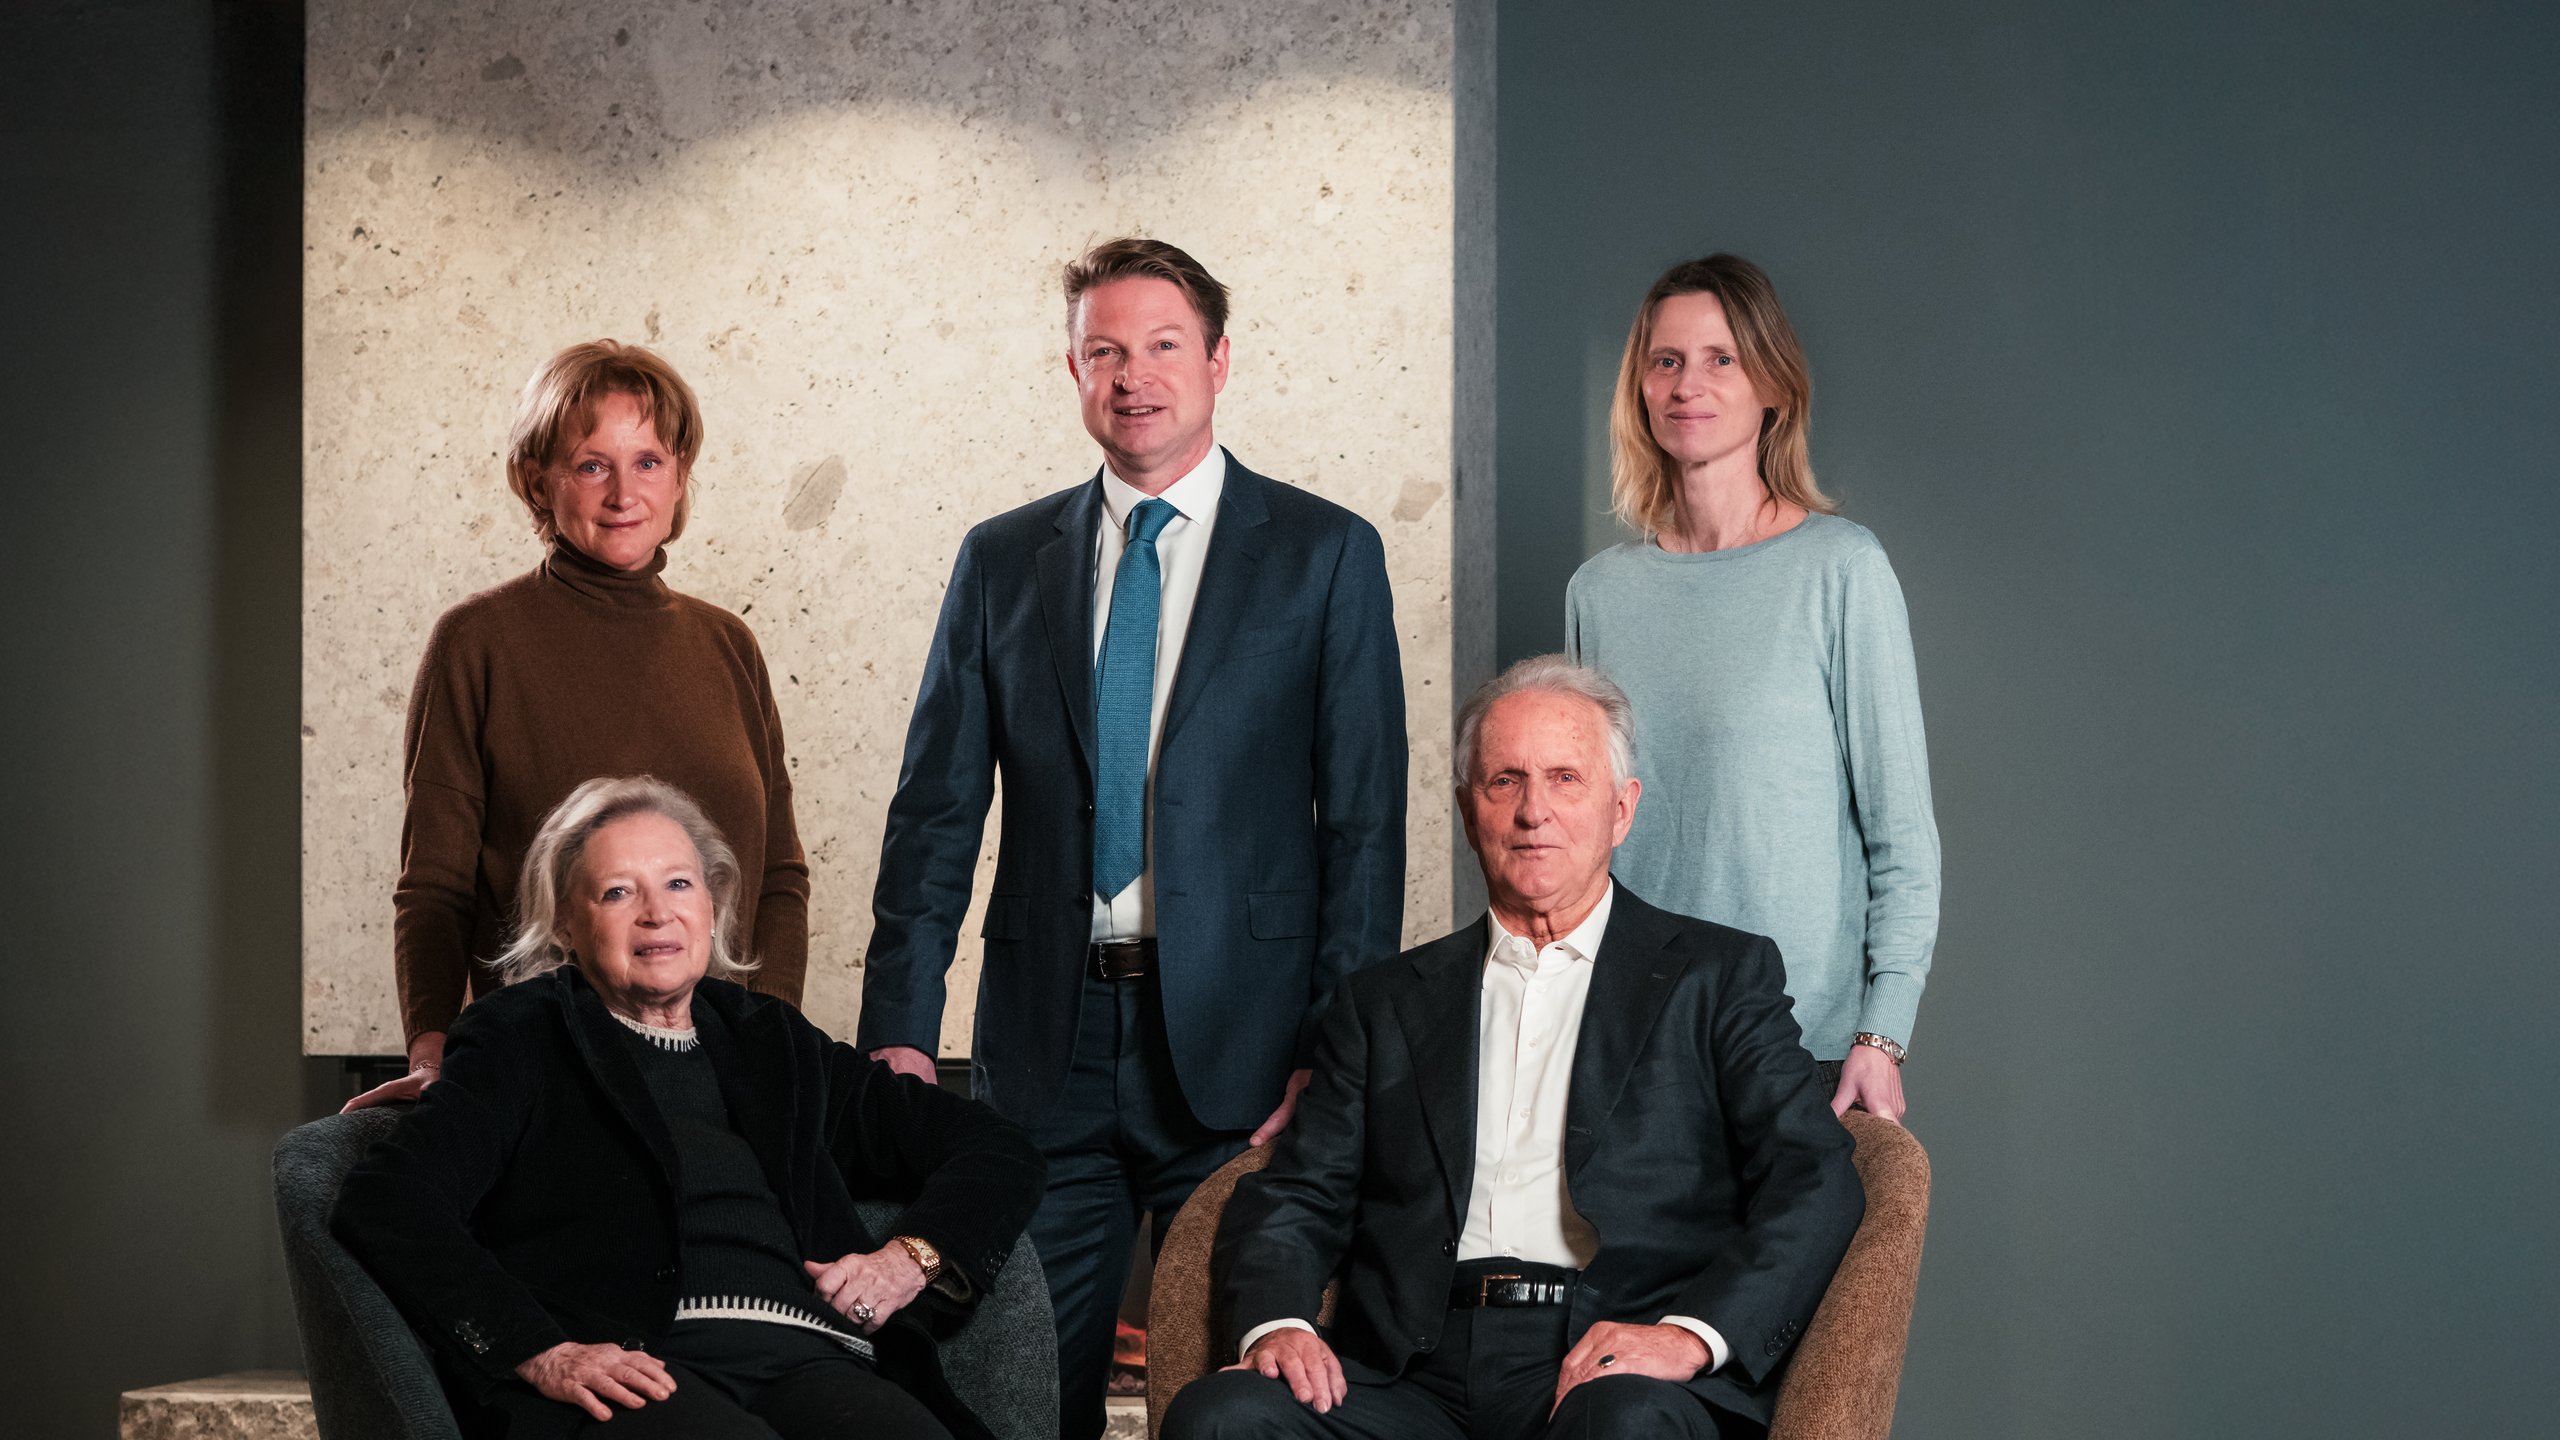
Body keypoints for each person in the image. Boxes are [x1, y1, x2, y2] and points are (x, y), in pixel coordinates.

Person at [858, 237, 1409, 1439]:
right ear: (1073, 370)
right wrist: (898, 1024)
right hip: (1044, 1046)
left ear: (1219, 361)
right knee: (1015, 1394)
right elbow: (935, 812)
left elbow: (1365, 829)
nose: (1132, 375)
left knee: (1223, 1396)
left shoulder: (1324, 553)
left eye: (1162, 345)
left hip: (1250, 1054)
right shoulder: (1003, 559)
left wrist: (1336, 1053)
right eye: (1103, 350)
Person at [1164, 657, 1863, 1440]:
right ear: (1469, 813)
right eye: (1506, 781)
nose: (1535, 811)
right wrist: (1278, 1325)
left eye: (1566, 779)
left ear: (1621, 809)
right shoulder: (1382, 1002)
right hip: (1409, 1375)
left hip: (1610, 1366)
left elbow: (1814, 1174)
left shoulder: (1718, 976)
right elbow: (1300, 1194)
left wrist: (1691, 1336)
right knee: (1221, 1418)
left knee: (1625, 1425)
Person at [333, 776, 1045, 1440]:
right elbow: (389, 1200)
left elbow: (995, 1148)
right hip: (639, 1363)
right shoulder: (520, 1035)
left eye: (679, 883)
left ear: (712, 905)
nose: (657, 913)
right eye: (618, 892)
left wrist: (910, 1258)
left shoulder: (772, 1041)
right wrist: (539, 1350)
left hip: (815, 1357)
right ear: (565, 924)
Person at [347, 340, 811, 1112]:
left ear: (680, 475)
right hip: (548, 1082)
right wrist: (431, 1048)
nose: (625, 492)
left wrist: (772, 1042)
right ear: (539, 480)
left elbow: (781, 878)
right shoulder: (477, 642)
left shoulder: (728, 645)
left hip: (727, 1083)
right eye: (593, 465)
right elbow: (435, 886)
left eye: (649, 461)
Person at [1565, 254, 1941, 1123]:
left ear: (1771, 384)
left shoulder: (1841, 570)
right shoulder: (1599, 593)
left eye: (1721, 359)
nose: (1687, 385)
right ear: (1639, 387)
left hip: (1797, 1044)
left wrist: (1882, 1033)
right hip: (1630, 1040)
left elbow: (1902, 833)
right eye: (1666, 361)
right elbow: (1584, 831)